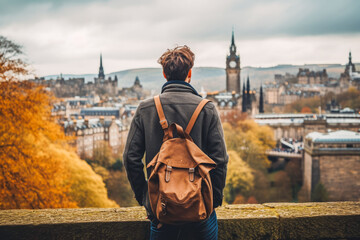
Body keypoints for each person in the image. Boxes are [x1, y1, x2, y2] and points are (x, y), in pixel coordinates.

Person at [123, 45, 228, 240]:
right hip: (200, 211)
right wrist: (212, 201)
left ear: (164, 74)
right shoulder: (207, 109)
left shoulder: (146, 108)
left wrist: (147, 199)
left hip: (161, 209)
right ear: (189, 73)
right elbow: (220, 160)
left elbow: (130, 158)